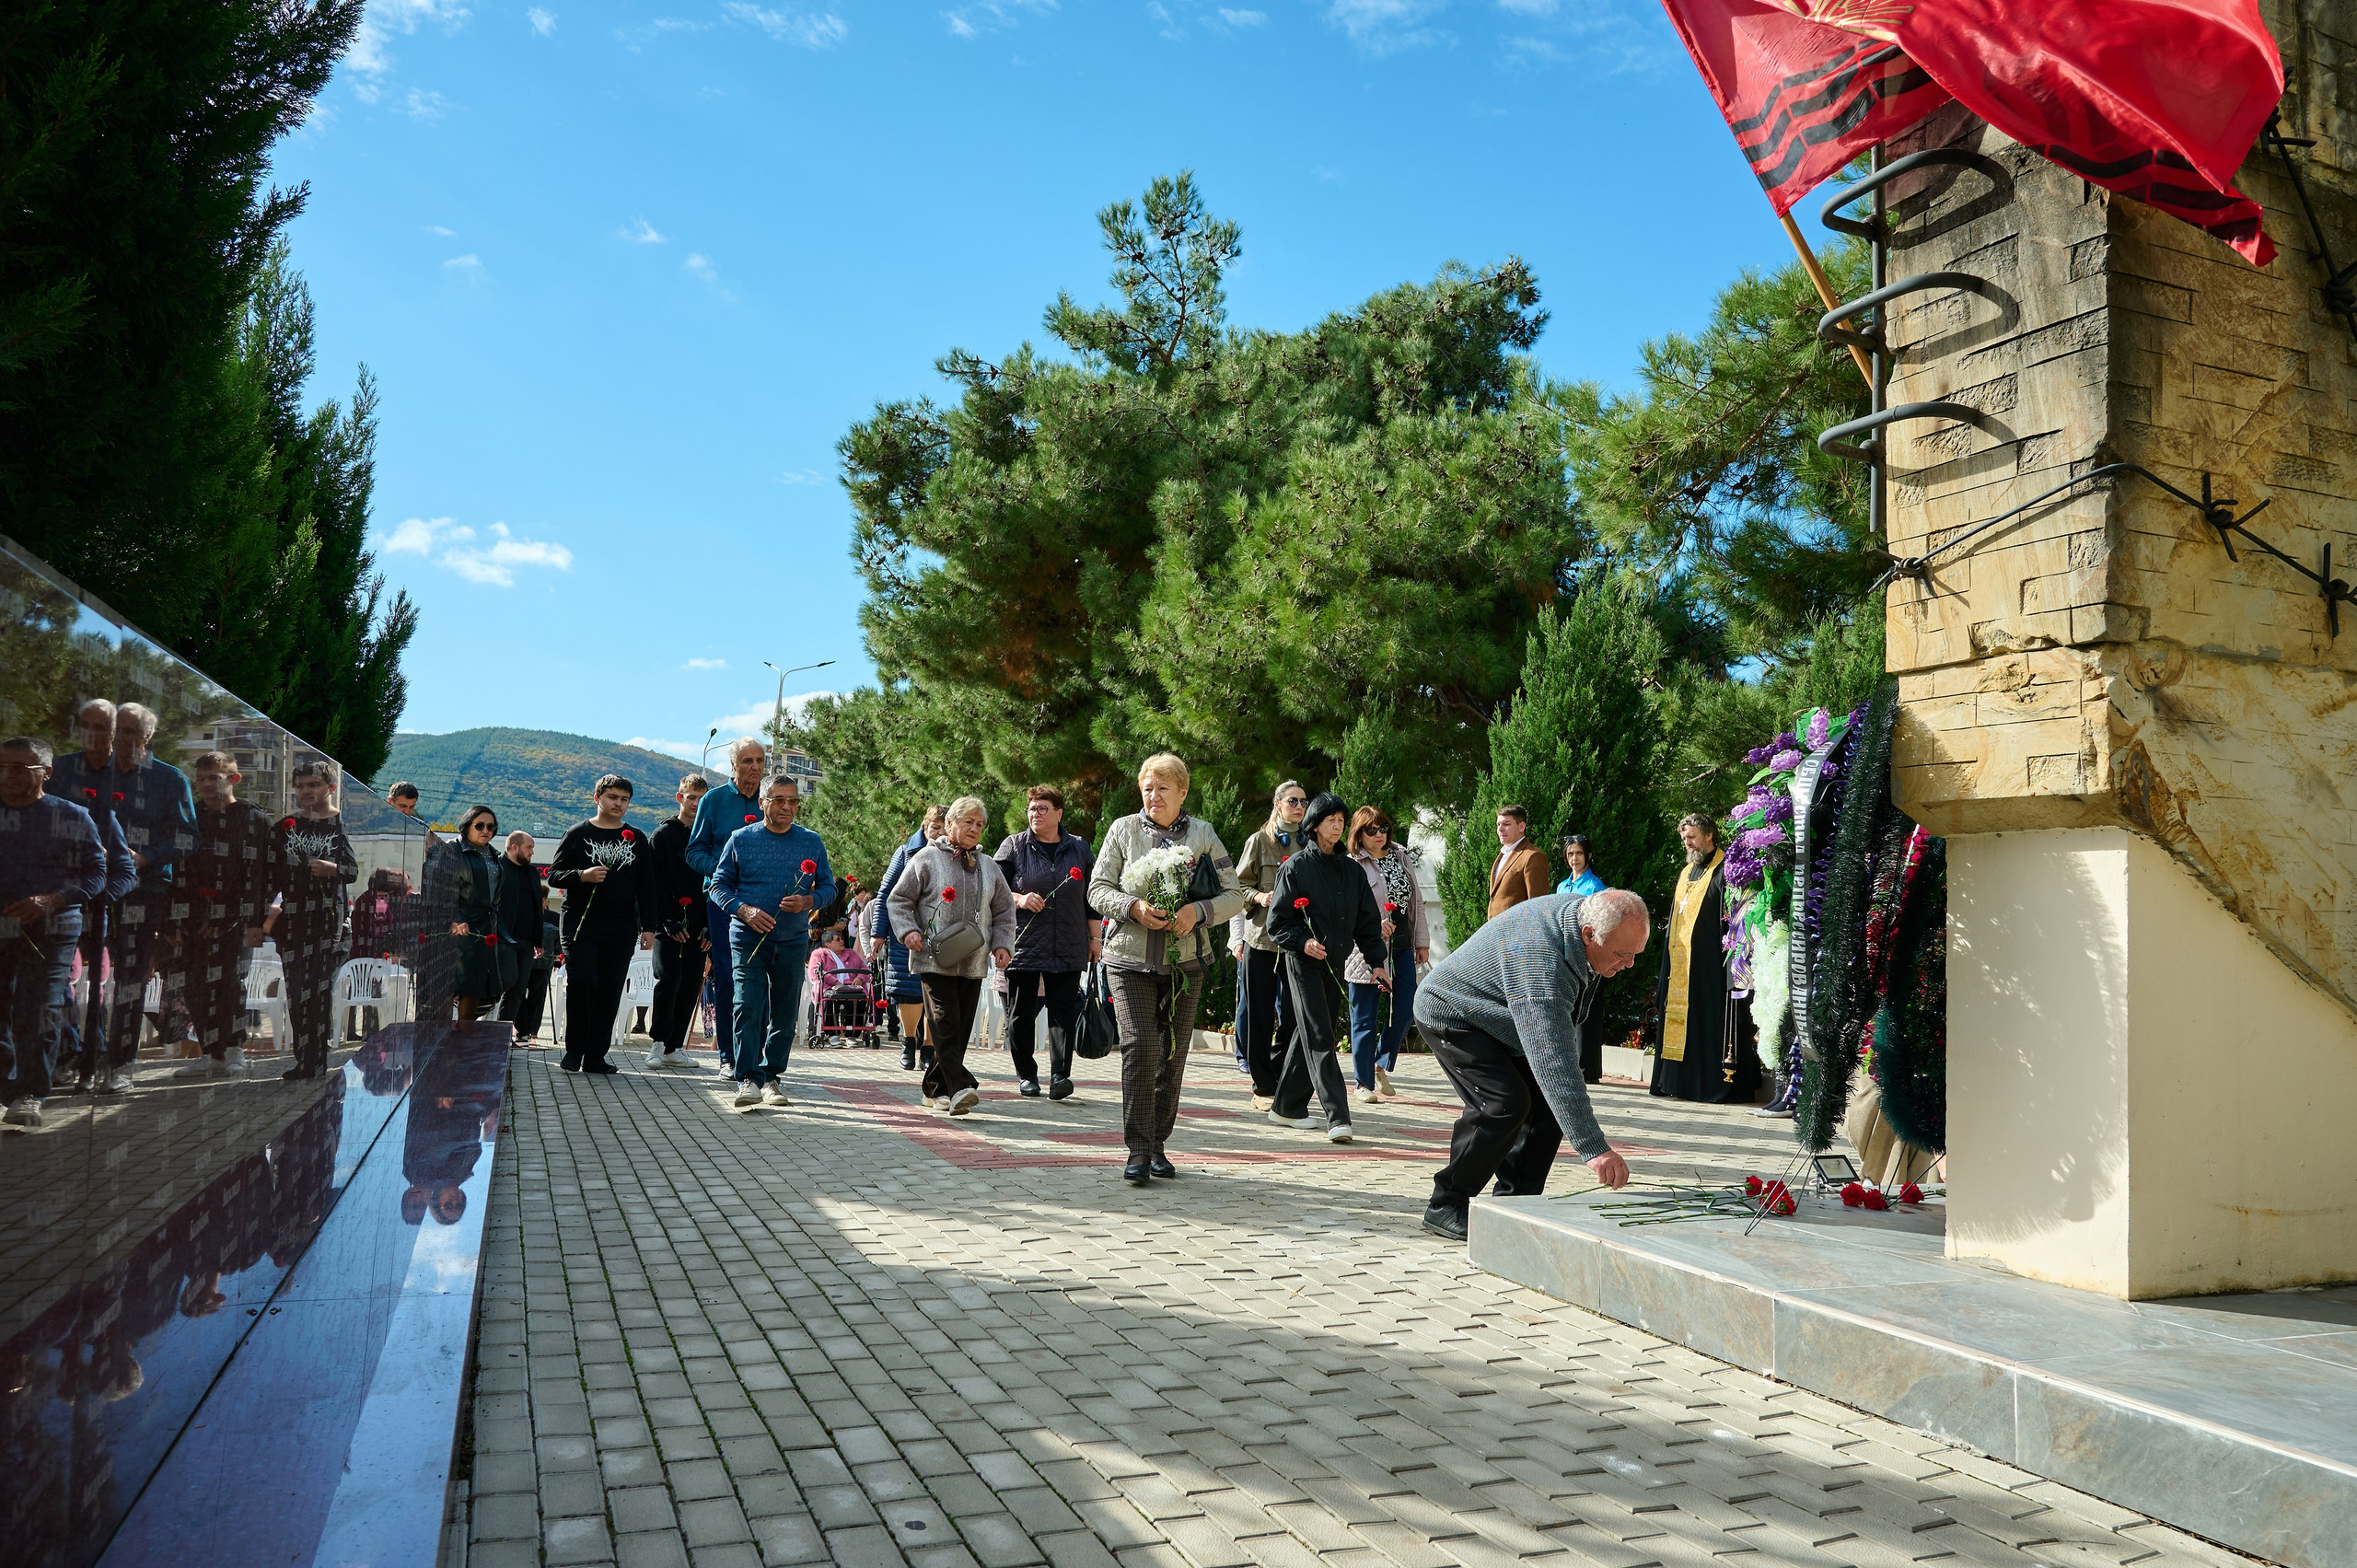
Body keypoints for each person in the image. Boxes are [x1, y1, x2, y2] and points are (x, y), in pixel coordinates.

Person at [1416, 888, 1652, 1240]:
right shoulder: (1542, 963)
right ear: (1589, 934)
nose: (1629, 964)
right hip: (1452, 1012)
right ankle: (1447, 1204)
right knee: (1502, 1104)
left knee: (1545, 1107)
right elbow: (1555, 1061)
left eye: (1636, 955)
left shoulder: (1579, 921)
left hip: (1500, 1016)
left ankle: (1516, 1205)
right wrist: (1593, 1147)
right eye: (1622, 953)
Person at [1088, 753, 1246, 1184]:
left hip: (1185, 962)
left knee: (1172, 1055)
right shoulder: (1123, 830)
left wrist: (1198, 911)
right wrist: (1133, 906)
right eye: (1147, 788)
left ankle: (1158, 1143)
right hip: (1129, 959)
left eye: (1162, 788)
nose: (1153, 796)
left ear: (1182, 791)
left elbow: (1236, 893)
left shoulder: (1203, 834)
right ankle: (1138, 1150)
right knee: (1140, 1047)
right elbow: (1097, 889)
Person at [1266, 793, 1387, 1143]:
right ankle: (1338, 1116)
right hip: (1303, 962)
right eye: (1330, 820)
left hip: (1337, 962)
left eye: (1340, 820)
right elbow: (1278, 923)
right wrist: (1303, 941)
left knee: (1312, 1032)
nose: (1337, 825)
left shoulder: (1351, 870)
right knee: (1320, 1036)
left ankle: (1286, 1106)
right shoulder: (1296, 867)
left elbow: (1367, 922)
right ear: (1314, 826)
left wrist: (1376, 963)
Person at [709, 773, 834, 1109]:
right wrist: (744, 910)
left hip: (792, 940)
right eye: (779, 800)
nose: (787, 807)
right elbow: (718, 887)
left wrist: (809, 902)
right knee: (746, 1006)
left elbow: (829, 888)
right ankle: (747, 1078)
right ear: (763, 801)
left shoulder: (811, 841)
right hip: (748, 939)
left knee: (784, 1013)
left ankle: (772, 1077)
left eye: (793, 801)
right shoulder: (740, 839)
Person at [1, 738, 108, 1127]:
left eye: (18, 767)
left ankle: (30, 1093)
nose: (6, 774)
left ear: (45, 772)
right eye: (1, 766)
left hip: (52, 929)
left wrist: (52, 900)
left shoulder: (72, 816)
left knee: (37, 1008)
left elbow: (97, 875)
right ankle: (3, 1091)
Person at [886, 796, 1014, 1117]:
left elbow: (1004, 910)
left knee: (959, 1029)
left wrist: (1002, 944)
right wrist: (908, 931)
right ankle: (960, 1087)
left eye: (980, 824)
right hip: (933, 956)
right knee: (944, 1020)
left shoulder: (988, 865)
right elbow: (898, 900)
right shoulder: (926, 858)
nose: (974, 829)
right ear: (951, 824)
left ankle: (935, 1088)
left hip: (973, 960)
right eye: (967, 822)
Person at [44, 701, 138, 1093]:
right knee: (57, 986)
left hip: (100, 906)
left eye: (101, 726)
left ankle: (93, 1061)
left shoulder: (140, 775)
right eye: (84, 725)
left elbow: (125, 871)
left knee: (96, 989)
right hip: (50, 903)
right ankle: (67, 1055)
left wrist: (99, 893)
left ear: (116, 732)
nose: (92, 733)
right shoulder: (58, 772)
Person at [101, 703, 196, 1083]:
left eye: (130, 731)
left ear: (148, 736)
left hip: (144, 889)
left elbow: (188, 836)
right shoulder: (93, 773)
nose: (121, 738)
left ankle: (120, 1062)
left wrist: (145, 857)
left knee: (129, 977)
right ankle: (77, 1057)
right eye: (116, 730)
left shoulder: (170, 779)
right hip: (87, 886)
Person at [171, 751, 278, 1079]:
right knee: (194, 985)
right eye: (200, 778)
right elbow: (178, 869)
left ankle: (234, 1049)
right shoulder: (189, 816)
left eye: (213, 778)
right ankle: (212, 1051)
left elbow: (265, 875)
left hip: (236, 920)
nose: (204, 784)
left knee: (230, 983)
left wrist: (249, 920)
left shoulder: (253, 819)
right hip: (193, 920)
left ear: (233, 779)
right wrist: (179, 918)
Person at [546, 775, 658, 1073]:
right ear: (597, 798)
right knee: (584, 982)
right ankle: (574, 1051)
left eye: (624, 799)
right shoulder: (577, 833)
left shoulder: (637, 838)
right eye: (612, 797)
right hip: (580, 923)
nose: (618, 803)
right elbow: (554, 875)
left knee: (610, 989)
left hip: (621, 926)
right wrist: (582, 876)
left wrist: (649, 927)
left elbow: (646, 885)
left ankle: (596, 1055)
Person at [993, 785, 1097, 1099]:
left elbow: (1091, 899)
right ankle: (1026, 1074)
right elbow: (995, 892)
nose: (1035, 814)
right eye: (1031, 809)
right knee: (1021, 1014)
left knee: (1063, 1012)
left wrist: (1095, 940)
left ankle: (1060, 1076)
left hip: (1069, 942)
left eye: (1042, 808)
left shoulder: (1079, 848)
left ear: (1059, 813)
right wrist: (1020, 898)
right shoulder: (1014, 846)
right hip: (1023, 943)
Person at [1649, 813, 1760, 1104]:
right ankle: (1679, 1082)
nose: (1687, 843)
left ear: (1709, 836)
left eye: (1692, 837)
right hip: (1682, 964)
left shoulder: (1728, 870)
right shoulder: (1687, 872)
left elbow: (1740, 920)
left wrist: (1737, 967)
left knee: (1710, 1023)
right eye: (1685, 838)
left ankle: (1712, 1084)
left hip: (1712, 967)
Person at [685, 739, 769, 1071]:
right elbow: (694, 853)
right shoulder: (714, 800)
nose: (755, 767)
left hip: (765, 902)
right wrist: (724, 869)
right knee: (728, 977)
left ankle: (756, 1056)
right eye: (747, 760)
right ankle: (730, 1057)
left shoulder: (772, 798)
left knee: (761, 980)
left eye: (760, 760)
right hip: (724, 903)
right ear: (733, 765)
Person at [276, 761, 359, 1077]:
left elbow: (352, 871)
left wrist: (332, 869)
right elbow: (270, 874)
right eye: (301, 786)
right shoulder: (286, 825)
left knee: (319, 993)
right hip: (293, 925)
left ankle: (317, 1059)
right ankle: (303, 1059)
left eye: (314, 785)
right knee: (297, 993)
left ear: (330, 788)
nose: (306, 791)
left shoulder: (340, 825)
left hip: (329, 926)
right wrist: (265, 915)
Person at [1345, 807, 1428, 1104]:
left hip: (1403, 945)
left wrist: (1422, 941)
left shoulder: (1400, 856)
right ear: (1358, 833)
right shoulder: (1352, 864)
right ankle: (1362, 1083)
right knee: (1364, 1017)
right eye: (1371, 830)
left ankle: (1381, 1062)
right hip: (1367, 949)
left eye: (1383, 829)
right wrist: (1372, 924)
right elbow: (1346, 909)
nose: (1379, 835)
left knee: (1407, 1009)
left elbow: (1416, 899)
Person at [1232, 781, 1307, 1110]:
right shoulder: (1259, 841)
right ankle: (1262, 1087)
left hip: (1297, 943)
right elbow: (1237, 886)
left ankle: (1278, 1075)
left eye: (1304, 801)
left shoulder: (1311, 842)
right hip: (1261, 941)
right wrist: (1259, 896)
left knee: (1294, 1017)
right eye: (1293, 800)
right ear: (1278, 804)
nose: (1300, 806)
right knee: (1259, 1017)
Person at [869, 806, 946, 1071]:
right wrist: (878, 933)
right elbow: (885, 894)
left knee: (935, 993)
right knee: (909, 991)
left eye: (945, 827)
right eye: (935, 827)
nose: (940, 832)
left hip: (941, 935)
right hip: (906, 933)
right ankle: (908, 1040)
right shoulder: (905, 853)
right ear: (925, 828)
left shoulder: (955, 854)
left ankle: (929, 1046)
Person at [645, 772, 710, 1069]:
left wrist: (711, 923)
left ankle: (675, 1047)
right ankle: (658, 1043)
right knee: (669, 979)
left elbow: (717, 882)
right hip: (667, 926)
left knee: (691, 984)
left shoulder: (709, 836)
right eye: (691, 797)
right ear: (680, 798)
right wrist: (666, 919)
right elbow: (653, 882)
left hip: (699, 926)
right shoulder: (662, 836)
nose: (696, 803)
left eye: (702, 798)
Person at [434, 806, 512, 1023]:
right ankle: (444, 1036)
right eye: (479, 825)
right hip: (460, 922)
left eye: (491, 826)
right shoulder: (452, 849)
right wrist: (457, 919)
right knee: (455, 982)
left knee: (478, 983)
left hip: (487, 924)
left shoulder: (494, 854)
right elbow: (441, 890)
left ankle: (465, 1033)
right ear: (467, 826)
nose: (485, 830)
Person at [493, 830, 546, 1033]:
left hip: (526, 939)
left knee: (519, 987)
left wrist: (538, 940)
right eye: (529, 847)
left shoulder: (532, 872)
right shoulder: (498, 868)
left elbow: (536, 908)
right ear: (514, 847)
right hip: (502, 937)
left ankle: (502, 1033)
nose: (532, 852)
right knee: (508, 979)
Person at [1486, 804, 1552, 919]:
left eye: (1506, 824)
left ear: (1521, 827)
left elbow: (1537, 905)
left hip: (1517, 933)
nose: (1500, 829)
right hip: (1496, 933)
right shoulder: (1502, 855)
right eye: (1498, 824)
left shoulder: (1533, 856)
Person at [1556, 834, 1606, 898]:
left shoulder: (1596, 887)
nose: (1574, 858)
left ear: (1589, 856)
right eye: (1570, 854)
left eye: (1579, 853)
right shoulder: (1561, 887)